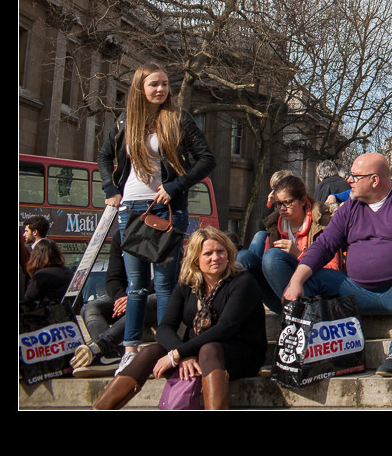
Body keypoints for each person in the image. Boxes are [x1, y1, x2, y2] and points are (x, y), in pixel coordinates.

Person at [96, 61, 216, 376]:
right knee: (135, 286)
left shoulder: (178, 119)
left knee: (164, 284)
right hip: (132, 209)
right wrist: (111, 189)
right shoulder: (125, 121)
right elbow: (104, 155)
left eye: (164, 83)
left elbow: (206, 159)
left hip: (167, 208)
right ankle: (131, 350)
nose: (161, 89)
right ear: (141, 88)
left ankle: (165, 350)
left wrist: (175, 186)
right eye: (154, 84)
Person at [282, 153, 392, 378]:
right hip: (355, 292)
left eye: (355, 176)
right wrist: (296, 281)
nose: (349, 181)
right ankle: (303, 349)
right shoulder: (349, 208)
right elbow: (324, 245)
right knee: (308, 277)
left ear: (374, 180)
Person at [93, 228, 266, 410]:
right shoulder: (187, 283)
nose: (216, 258)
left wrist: (178, 354)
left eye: (220, 252)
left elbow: (226, 327)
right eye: (208, 253)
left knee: (209, 349)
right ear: (196, 259)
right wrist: (183, 354)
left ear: (229, 254)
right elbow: (165, 327)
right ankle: (100, 409)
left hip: (239, 354)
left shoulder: (243, 282)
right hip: (194, 353)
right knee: (150, 352)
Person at [236, 174, 337, 314]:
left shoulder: (323, 223)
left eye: (287, 202)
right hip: (281, 296)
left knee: (272, 257)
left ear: (302, 200)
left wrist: (299, 254)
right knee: (242, 258)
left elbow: (333, 270)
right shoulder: (274, 225)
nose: (282, 208)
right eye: (278, 204)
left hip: (311, 292)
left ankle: (301, 313)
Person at [72, 229, 158, 374]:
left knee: (144, 301)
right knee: (91, 307)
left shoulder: (163, 232)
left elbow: (166, 280)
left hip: (155, 297)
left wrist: (134, 298)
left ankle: (100, 346)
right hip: (126, 297)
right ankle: (110, 356)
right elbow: (113, 276)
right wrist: (120, 297)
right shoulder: (122, 235)